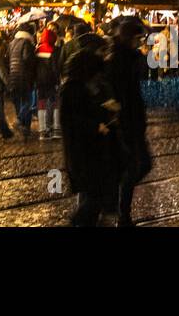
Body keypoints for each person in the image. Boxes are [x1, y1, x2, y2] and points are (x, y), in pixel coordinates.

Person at [60, 33, 120, 226]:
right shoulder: (73, 89)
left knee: (93, 193)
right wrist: (96, 125)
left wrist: (106, 110)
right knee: (94, 195)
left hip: (93, 150)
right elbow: (71, 119)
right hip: (83, 150)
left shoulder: (88, 85)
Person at [106, 17, 151, 226]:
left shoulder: (132, 57)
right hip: (125, 121)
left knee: (140, 166)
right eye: (137, 38)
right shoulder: (116, 59)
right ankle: (122, 213)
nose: (140, 42)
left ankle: (120, 209)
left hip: (134, 119)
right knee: (132, 167)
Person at [8, 22, 38, 137]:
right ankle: (21, 121)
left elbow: (8, 59)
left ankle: (25, 129)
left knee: (19, 102)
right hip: (24, 77)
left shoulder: (12, 43)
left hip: (13, 76)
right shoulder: (27, 43)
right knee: (27, 101)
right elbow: (27, 59)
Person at [35, 22, 62, 139]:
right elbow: (56, 67)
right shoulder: (54, 50)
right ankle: (56, 128)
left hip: (40, 81)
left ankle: (43, 131)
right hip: (51, 81)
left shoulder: (37, 49)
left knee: (41, 105)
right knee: (55, 103)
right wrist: (57, 80)